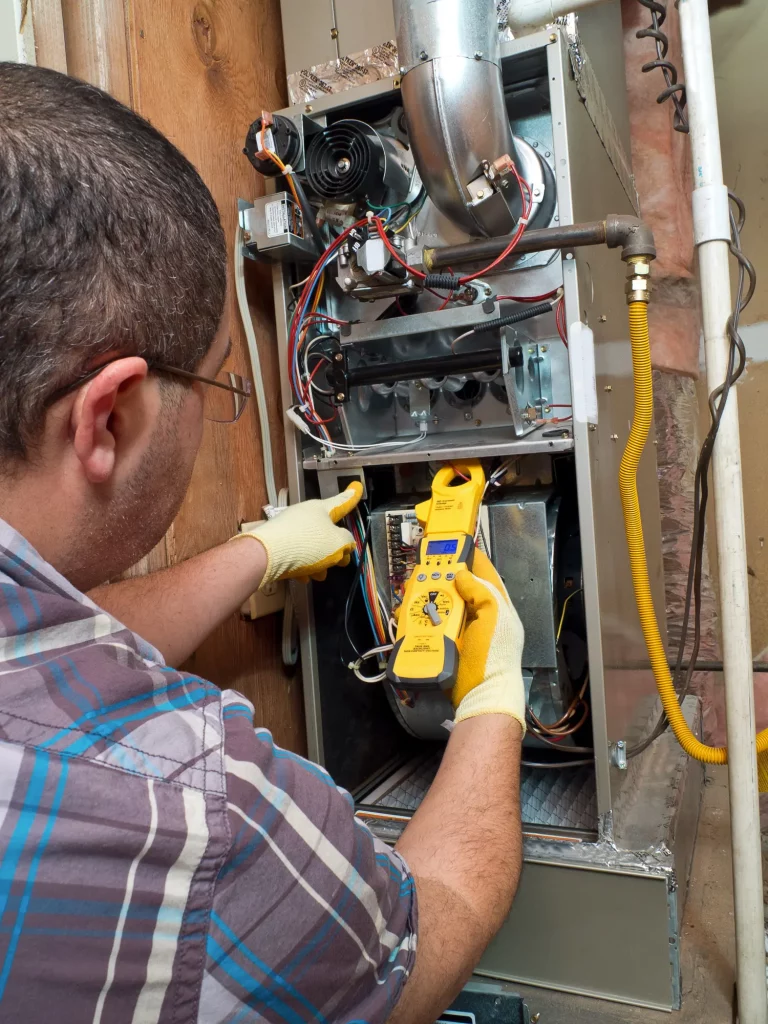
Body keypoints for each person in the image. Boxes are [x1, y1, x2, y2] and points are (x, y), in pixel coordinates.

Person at [0, 62, 526, 1024]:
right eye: (215, 385)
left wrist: (261, 551)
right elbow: (419, 939)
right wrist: (496, 698)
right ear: (109, 417)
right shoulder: (189, 805)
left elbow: (47, 659)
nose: (218, 413)